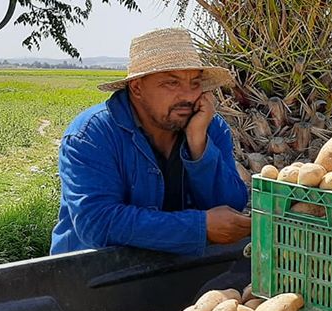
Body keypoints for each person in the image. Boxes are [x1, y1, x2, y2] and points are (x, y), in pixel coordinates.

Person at [50, 28, 251, 256]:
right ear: (137, 88)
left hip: (178, 271)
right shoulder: (91, 135)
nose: (187, 96)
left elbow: (231, 205)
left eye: (195, 83)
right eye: (171, 84)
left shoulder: (209, 127)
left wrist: (199, 145)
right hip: (95, 277)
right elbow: (97, 223)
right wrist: (199, 227)